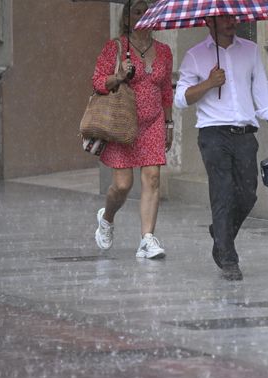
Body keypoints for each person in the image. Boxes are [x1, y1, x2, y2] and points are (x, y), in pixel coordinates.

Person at [174, 15, 268, 281]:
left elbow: (261, 90)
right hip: (213, 134)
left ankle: (221, 234)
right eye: (223, 18)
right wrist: (208, 83)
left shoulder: (250, 50)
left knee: (247, 194)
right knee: (222, 193)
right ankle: (228, 258)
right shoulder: (195, 55)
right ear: (208, 22)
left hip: (245, 133)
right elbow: (180, 99)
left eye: (232, 16)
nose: (231, 22)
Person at [92, 0, 173, 259]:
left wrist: (169, 123)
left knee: (153, 178)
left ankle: (147, 239)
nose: (144, 15)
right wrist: (118, 75)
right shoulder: (115, 48)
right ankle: (107, 217)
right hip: (123, 123)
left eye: (148, 10)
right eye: (138, 11)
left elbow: (166, 91)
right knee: (122, 185)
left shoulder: (164, 51)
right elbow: (97, 82)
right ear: (127, 18)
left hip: (153, 122)